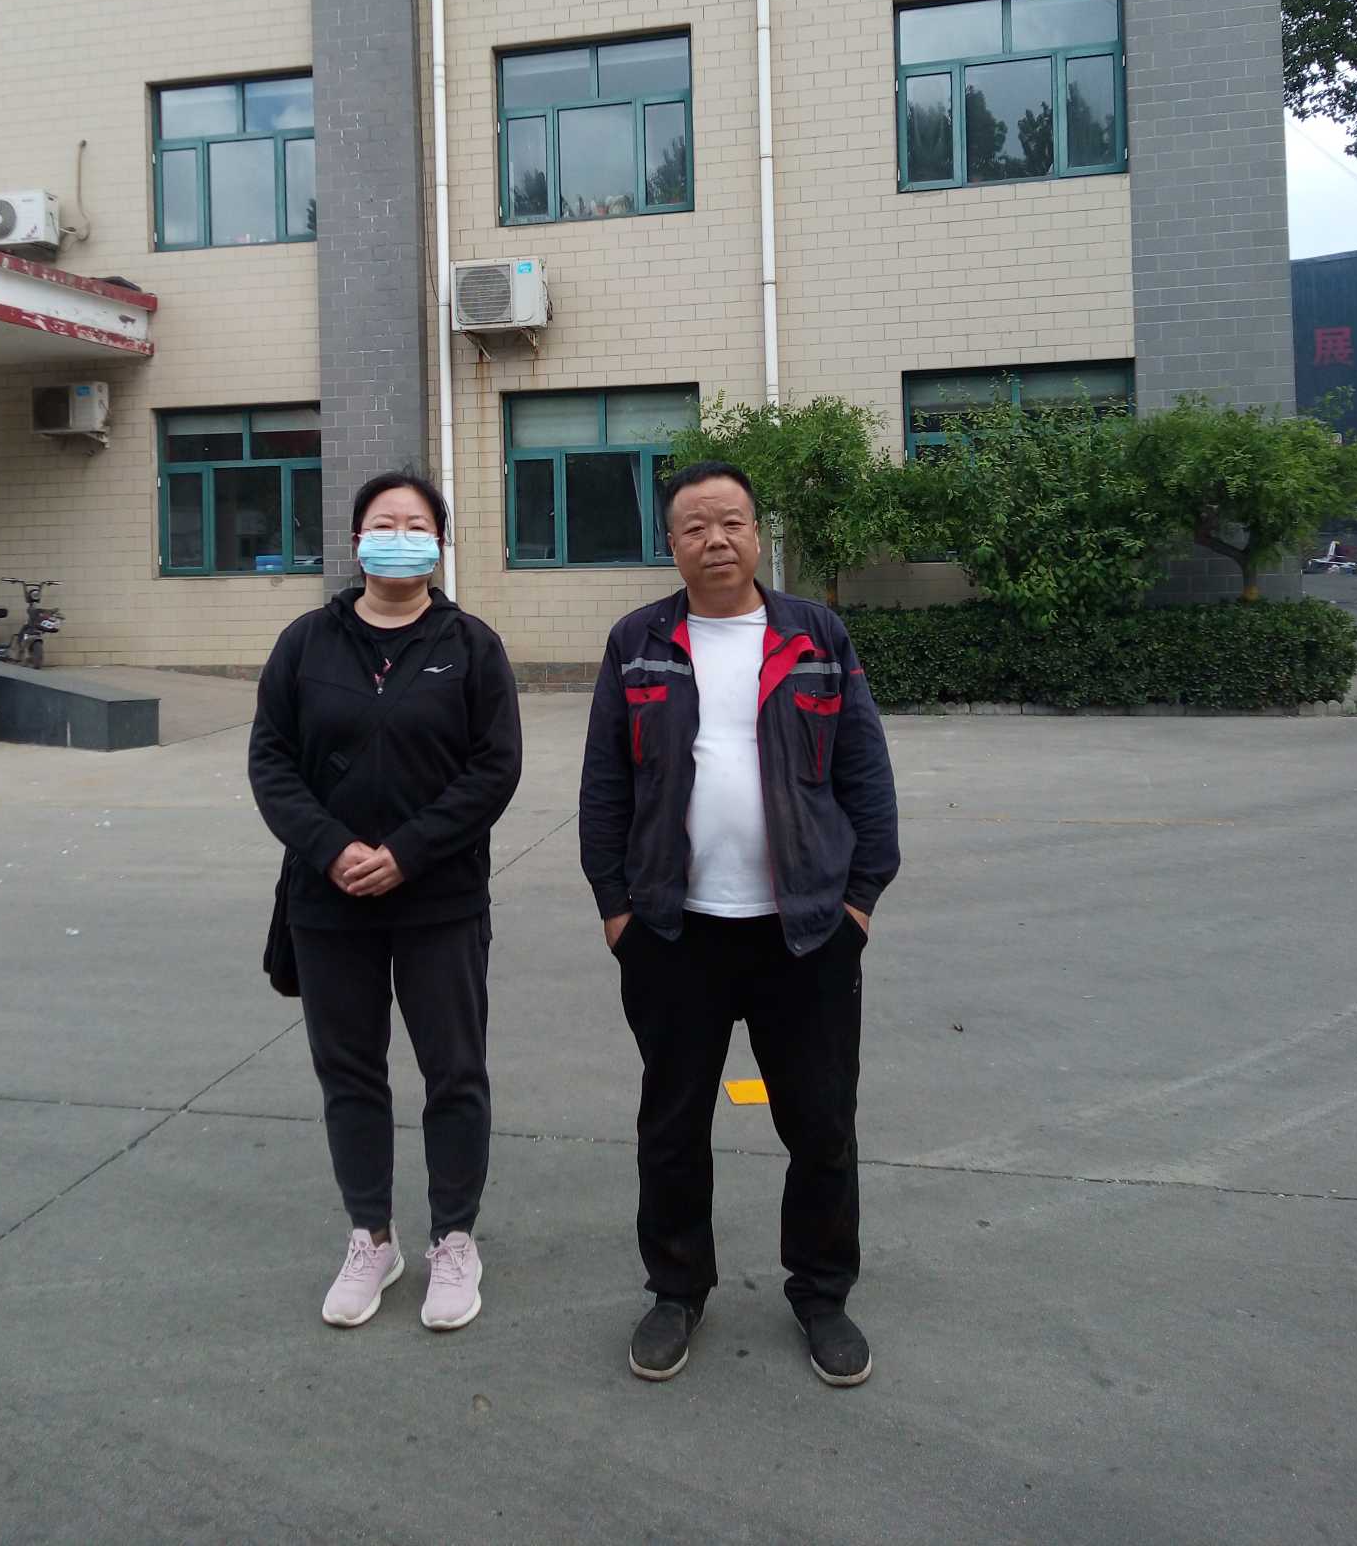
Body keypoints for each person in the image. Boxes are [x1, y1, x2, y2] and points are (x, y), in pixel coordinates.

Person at [579, 460, 899, 1387]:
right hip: (674, 931)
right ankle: (676, 1291)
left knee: (821, 1122)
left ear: (758, 533)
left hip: (806, 932)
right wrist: (616, 910)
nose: (714, 540)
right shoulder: (638, 641)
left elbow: (865, 774)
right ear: (671, 543)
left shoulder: (816, 636)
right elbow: (605, 785)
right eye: (694, 526)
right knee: (672, 1123)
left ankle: (823, 1294)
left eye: (731, 522)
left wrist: (859, 903)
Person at [249, 474, 521, 1335]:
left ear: (439, 541)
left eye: (415, 523)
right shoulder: (305, 643)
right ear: (355, 541)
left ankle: (453, 1238)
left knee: (454, 1071)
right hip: (327, 902)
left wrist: (408, 852)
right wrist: (332, 849)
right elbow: (271, 761)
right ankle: (371, 1236)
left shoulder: (470, 646)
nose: (398, 535)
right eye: (382, 523)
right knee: (350, 1072)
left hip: (440, 897)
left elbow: (494, 769)